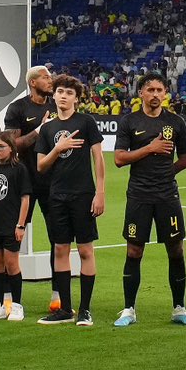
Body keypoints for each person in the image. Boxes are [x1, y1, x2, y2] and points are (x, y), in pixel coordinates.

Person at [114, 73, 186, 328]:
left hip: (166, 195)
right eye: (150, 89)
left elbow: (185, 159)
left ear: (165, 93)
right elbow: (119, 158)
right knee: (134, 250)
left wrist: (164, 173)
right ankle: (129, 309)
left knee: (176, 249)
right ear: (140, 93)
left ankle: (179, 308)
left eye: (159, 90)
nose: (155, 94)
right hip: (139, 194)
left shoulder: (176, 122)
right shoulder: (130, 121)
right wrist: (149, 149)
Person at [35, 74, 106, 326]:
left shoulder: (86, 122)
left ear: (76, 97)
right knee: (60, 249)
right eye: (60, 91)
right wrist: (58, 148)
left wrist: (100, 192)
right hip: (57, 196)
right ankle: (65, 309)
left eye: (69, 92)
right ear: (53, 95)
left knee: (85, 249)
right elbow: (41, 165)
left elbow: (98, 158)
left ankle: (85, 310)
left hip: (83, 194)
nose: (63, 96)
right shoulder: (47, 129)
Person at [2, 65, 55, 307]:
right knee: (13, 238)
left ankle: (57, 295)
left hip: (52, 181)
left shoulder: (57, 105)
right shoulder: (18, 108)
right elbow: (12, 145)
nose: (50, 80)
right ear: (33, 83)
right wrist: (39, 130)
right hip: (23, 181)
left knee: (58, 237)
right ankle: (9, 298)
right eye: (45, 77)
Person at [0, 132, 30, 322]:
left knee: (11, 264)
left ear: (11, 148)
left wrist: (20, 225)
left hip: (11, 225)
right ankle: (1, 305)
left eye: (1, 147)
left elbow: (25, 199)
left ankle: (17, 306)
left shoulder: (19, 170)